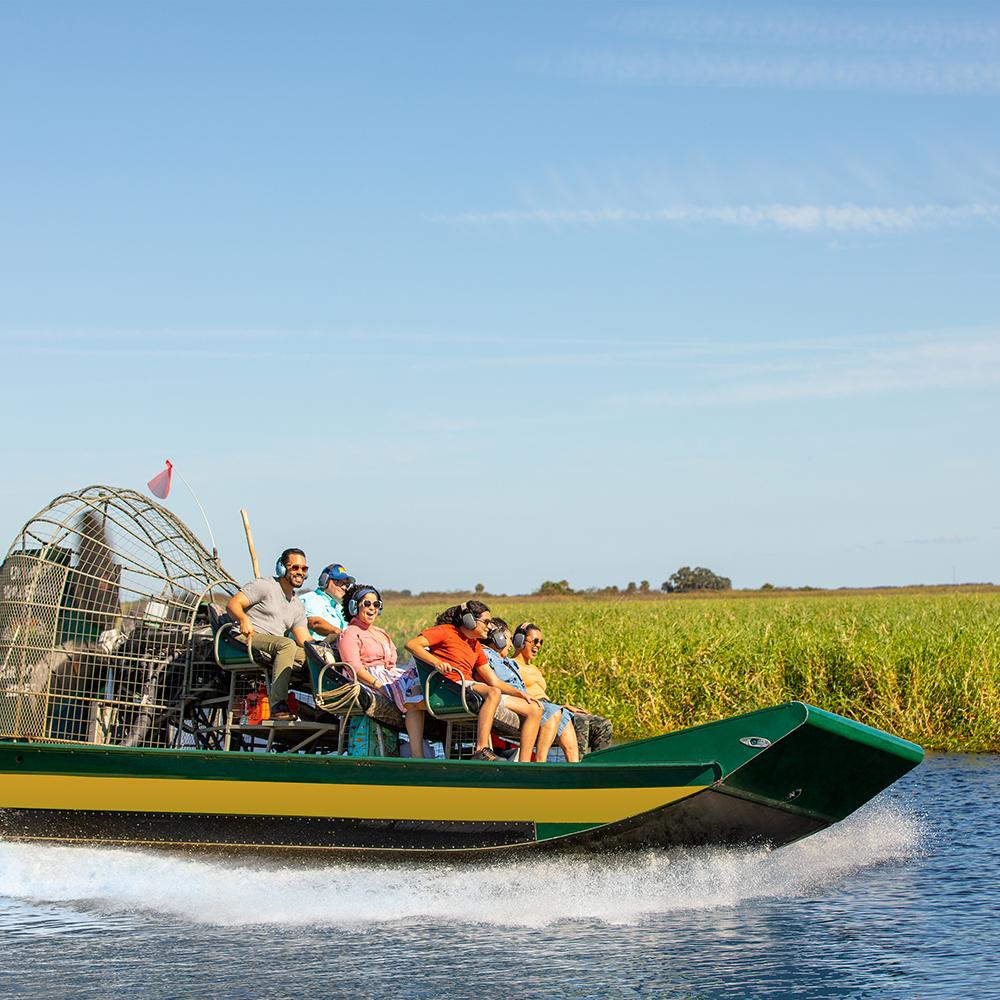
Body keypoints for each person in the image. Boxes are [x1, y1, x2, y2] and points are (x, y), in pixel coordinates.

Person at [404, 600, 515, 762]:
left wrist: (521, 694)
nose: (490, 627)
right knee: (492, 692)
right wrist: (437, 663)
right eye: (486, 622)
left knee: (496, 691)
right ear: (469, 620)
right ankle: (481, 749)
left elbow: (493, 680)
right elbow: (411, 644)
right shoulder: (445, 631)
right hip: (451, 687)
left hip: (463, 686)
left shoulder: (475, 645)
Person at [336, 584, 428, 755]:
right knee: (412, 696)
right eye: (367, 604)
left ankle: (422, 747)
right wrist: (378, 685)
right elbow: (354, 668)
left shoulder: (381, 632)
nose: (372, 608)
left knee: (420, 677)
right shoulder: (349, 633)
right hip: (367, 679)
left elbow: (391, 663)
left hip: (387, 674)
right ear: (354, 606)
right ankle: (418, 754)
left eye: (376, 605)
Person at [226, 548, 311, 721]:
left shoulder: (297, 605)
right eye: (295, 567)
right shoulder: (264, 585)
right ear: (281, 568)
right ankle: (277, 705)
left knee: (311, 656)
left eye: (303, 569)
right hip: (247, 637)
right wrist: (243, 619)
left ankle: (322, 709)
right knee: (287, 645)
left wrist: (324, 649)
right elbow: (233, 604)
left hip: (274, 645)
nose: (300, 572)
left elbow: (304, 639)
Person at [482, 618, 578, 763]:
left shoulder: (505, 661)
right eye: (508, 639)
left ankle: (575, 766)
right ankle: (540, 763)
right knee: (553, 712)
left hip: (531, 701)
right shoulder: (493, 658)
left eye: (541, 642)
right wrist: (522, 695)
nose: (510, 644)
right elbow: (495, 682)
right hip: (518, 700)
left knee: (564, 716)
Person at [511, 622, 613, 756]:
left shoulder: (534, 668)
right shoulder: (511, 665)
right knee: (581, 722)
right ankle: (577, 768)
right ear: (520, 641)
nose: (538, 645)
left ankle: (598, 766)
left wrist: (563, 707)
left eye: (541, 642)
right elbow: (517, 693)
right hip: (536, 708)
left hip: (551, 708)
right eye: (535, 641)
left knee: (603, 725)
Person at [299, 563, 355, 641]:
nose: (344, 587)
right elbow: (314, 623)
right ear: (325, 580)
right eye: (339, 582)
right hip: (315, 648)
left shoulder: (339, 607)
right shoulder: (311, 599)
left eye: (346, 584)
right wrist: (339, 633)